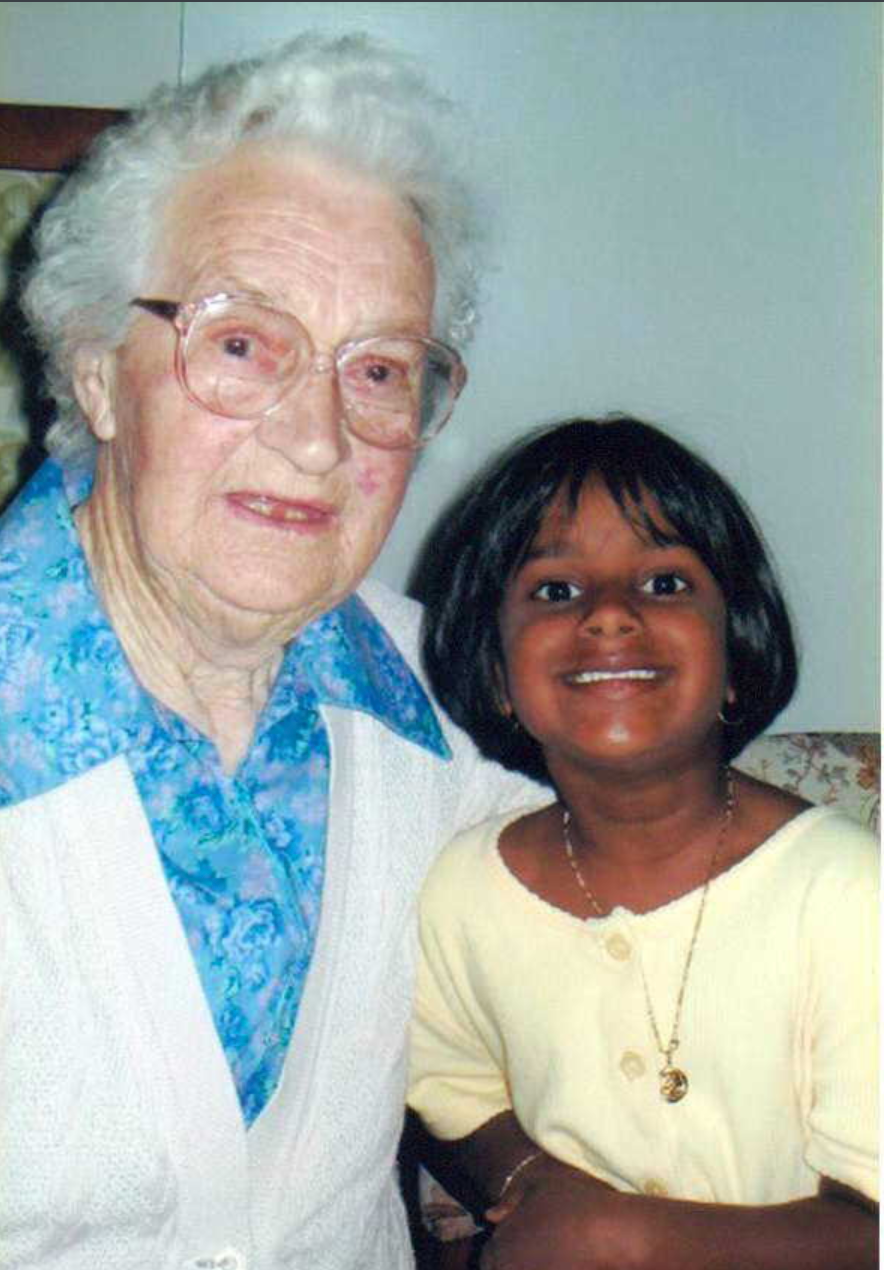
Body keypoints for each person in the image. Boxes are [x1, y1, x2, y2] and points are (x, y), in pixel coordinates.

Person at [0, 35, 544, 1270]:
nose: (314, 438)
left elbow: (642, 914)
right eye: (241, 343)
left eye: (379, 369)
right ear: (96, 371)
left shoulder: (435, 694)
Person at [408, 416, 878, 1269]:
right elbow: (450, 1087)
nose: (612, 615)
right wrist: (533, 1184)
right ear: (494, 671)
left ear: (736, 650)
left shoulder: (847, 895)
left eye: (664, 583)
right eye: (555, 590)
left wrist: (620, 1235)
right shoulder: (464, 891)